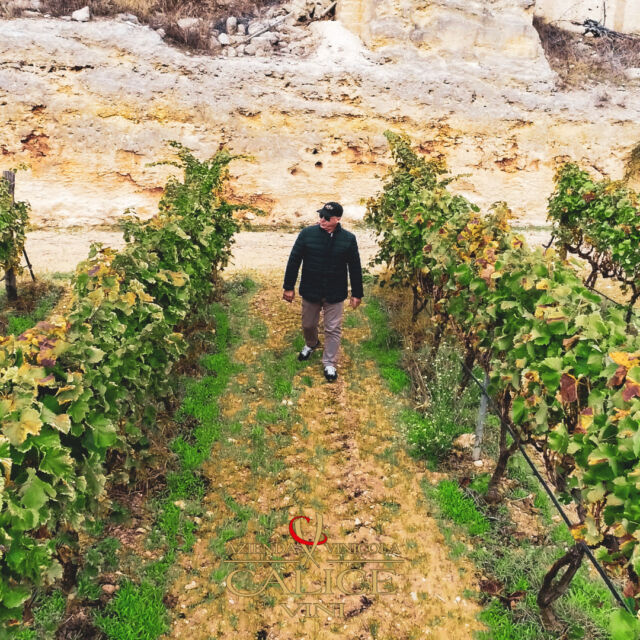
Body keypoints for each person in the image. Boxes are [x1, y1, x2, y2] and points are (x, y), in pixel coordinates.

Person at [282, 201, 363, 382]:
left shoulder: (348, 239)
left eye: (326, 218)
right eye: (320, 216)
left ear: (337, 219)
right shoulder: (307, 234)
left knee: (333, 328)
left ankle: (329, 363)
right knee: (308, 324)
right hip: (311, 289)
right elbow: (294, 260)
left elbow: (355, 267)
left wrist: (357, 293)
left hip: (335, 292)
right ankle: (311, 343)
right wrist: (288, 286)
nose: (322, 220)